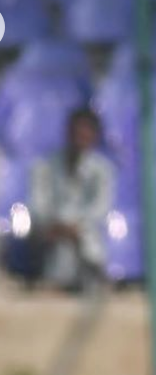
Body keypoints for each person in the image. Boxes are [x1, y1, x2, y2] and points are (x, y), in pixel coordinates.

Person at [29, 107, 114, 292]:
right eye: (77, 133)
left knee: (88, 241)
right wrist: (55, 224)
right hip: (52, 230)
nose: (80, 139)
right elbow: (38, 202)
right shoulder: (46, 165)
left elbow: (101, 207)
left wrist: (76, 225)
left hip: (84, 231)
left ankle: (89, 276)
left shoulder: (102, 169)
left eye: (86, 134)